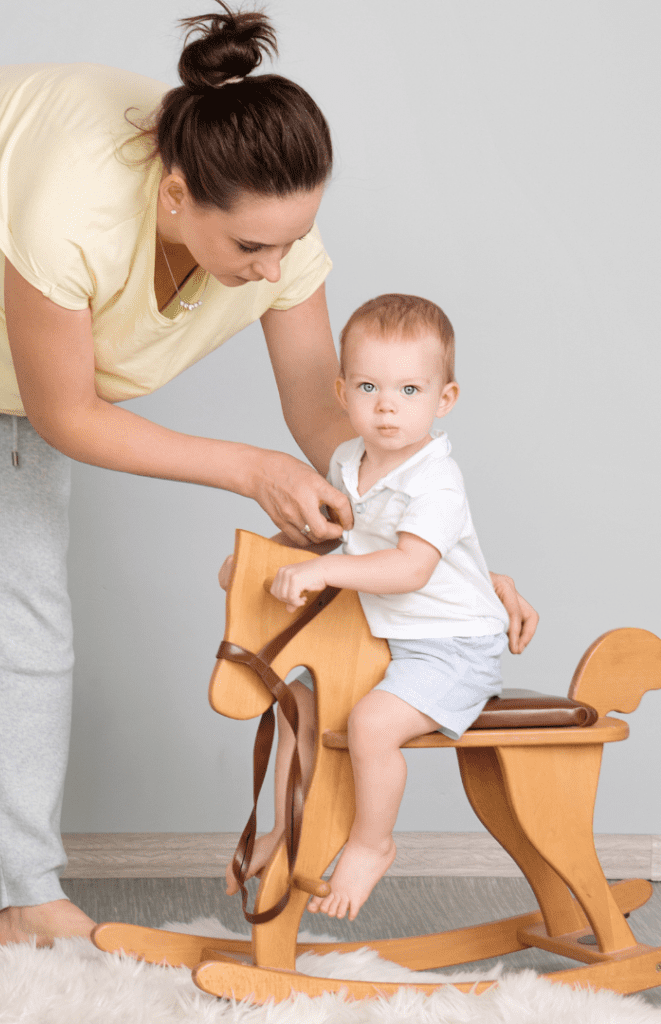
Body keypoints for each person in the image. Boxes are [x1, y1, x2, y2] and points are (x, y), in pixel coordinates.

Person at [0, 3, 535, 983]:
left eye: (290, 243)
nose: (275, 270)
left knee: (28, 587)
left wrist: (445, 552)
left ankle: (27, 892)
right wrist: (249, 469)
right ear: (175, 198)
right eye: (252, 252)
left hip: (2, 294)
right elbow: (66, 412)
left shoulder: (271, 228)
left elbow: (323, 417)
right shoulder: (75, 209)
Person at [224, 293, 532, 921]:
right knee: (297, 704)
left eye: (410, 390)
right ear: (342, 392)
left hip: (454, 648)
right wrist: (262, 558)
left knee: (370, 726)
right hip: (393, 641)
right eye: (369, 386)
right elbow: (331, 532)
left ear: (443, 400)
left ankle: (372, 842)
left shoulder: (435, 480)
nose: (387, 405)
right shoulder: (348, 462)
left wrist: (323, 569)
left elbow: (409, 567)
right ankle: (285, 826)